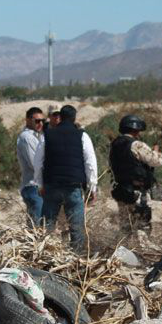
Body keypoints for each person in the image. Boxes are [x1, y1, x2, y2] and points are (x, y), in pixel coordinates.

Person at [34, 105, 98, 253]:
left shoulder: (47, 135)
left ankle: (43, 254)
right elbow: (90, 162)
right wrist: (92, 186)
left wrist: (39, 184)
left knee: (47, 227)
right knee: (76, 227)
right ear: (75, 118)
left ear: (60, 117)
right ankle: (77, 258)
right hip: (73, 188)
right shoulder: (82, 135)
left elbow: (38, 163)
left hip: (52, 186)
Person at [109, 115, 162, 233]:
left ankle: (126, 249)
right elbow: (158, 161)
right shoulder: (136, 145)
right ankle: (140, 250)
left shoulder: (115, 144)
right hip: (138, 193)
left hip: (121, 190)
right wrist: (156, 151)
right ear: (136, 130)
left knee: (126, 226)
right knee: (141, 226)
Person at [16, 107, 45, 226]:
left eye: (42, 121)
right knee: (36, 227)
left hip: (36, 187)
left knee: (37, 225)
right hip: (32, 186)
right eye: (37, 121)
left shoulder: (36, 136)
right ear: (28, 120)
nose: (40, 124)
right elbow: (35, 163)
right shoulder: (27, 138)